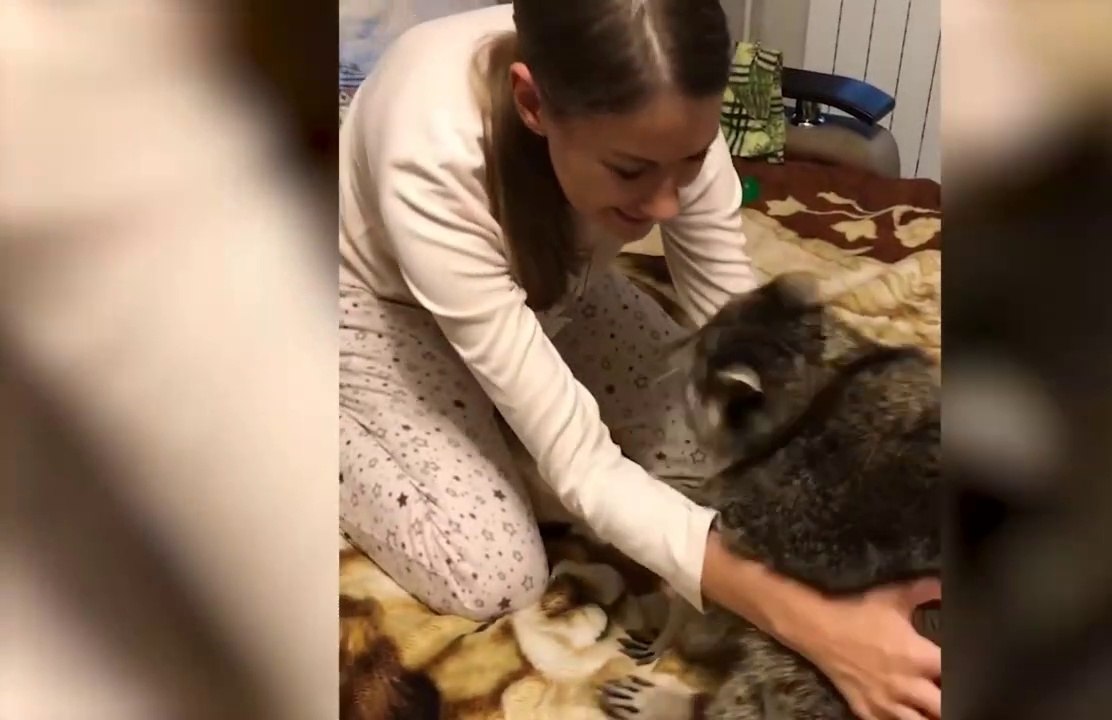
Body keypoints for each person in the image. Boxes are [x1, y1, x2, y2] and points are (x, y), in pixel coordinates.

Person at [338, 1, 941, 718]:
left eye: (691, 162)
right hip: (388, 313)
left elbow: (741, 331)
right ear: (533, 103)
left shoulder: (669, 117)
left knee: (709, 455)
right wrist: (816, 625)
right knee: (492, 572)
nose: (665, 204)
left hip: (559, 286)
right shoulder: (432, 146)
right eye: (630, 171)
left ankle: (500, 428)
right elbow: (584, 465)